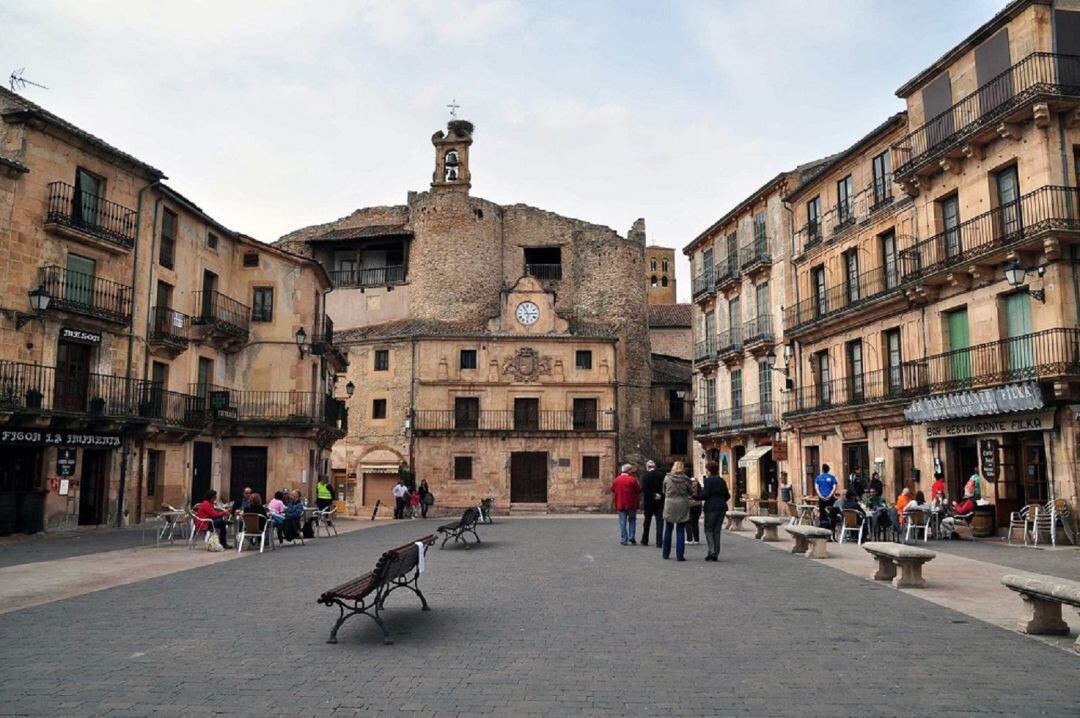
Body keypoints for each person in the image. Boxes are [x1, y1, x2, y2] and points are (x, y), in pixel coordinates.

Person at [661, 460, 694, 561]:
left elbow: (664, 490)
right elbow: (691, 491)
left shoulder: (667, 478)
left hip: (670, 504)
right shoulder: (686, 479)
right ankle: (680, 555)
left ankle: (665, 553)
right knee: (680, 530)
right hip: (682, 503)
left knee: (668, 529)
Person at [699, 461, 730, 561]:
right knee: (717, 530)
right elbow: (727, 495)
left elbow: (705, 495)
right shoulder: (721, 480)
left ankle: (711, 551)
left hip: (711, 508)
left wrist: (696, 497)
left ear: (708, 470)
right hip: (722, 507)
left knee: (708, 529)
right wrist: (721, 500)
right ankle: (716, 552)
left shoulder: (708, 481)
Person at [611, 464, 641, 545]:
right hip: (631, 504)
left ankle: (624, 539)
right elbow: (638, 490)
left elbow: (613, 489)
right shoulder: (632, 479)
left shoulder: (616, 480)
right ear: (628, 471)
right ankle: (631, 536)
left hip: (620, 503)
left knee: (622, 522)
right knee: (632, 520)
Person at [639, 460, 666, 548]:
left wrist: (653, 494)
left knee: (647, 521)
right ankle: (659, 542)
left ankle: (645, 539)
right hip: (660, 501)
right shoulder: (662, 475)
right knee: (660, 522)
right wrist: (660, 495)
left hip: (649, 501)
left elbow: (644, 489)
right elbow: (665, 488)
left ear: (647, 467)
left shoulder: (645, 476)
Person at [814, 463, 838, 531]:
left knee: (822, 513)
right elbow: (834, 487)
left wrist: (821, 496)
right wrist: (830, 495)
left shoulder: (818, 477)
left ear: (822, 470)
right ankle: (832, 529)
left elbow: (816, 488)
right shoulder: (832, 477)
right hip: (830, 499)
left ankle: (822, 528)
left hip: (822, 499)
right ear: (828, 469)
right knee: (832, 514)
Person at [685, 474, 703, 545]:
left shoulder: (686, 483)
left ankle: (689, 539)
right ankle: (696, 539)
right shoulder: (697, 483)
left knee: (688, 521)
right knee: (695, 522)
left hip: (688, 504)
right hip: (697, 504)